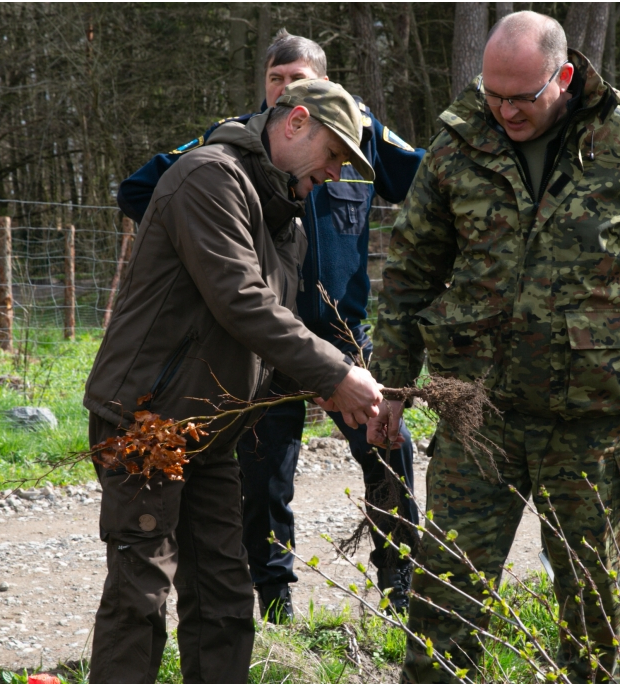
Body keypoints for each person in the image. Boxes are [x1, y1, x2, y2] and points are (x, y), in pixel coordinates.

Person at [367, 10, 620, 682]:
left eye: (522, 98)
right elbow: (409, 274)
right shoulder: (457, 147)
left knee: (592, 598)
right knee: (447, 591)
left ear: (566, 77)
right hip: (477, 414)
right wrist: (393, 387)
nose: (505, 111)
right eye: (493, 94)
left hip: (589, 424)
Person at [116, 30, 425, 621]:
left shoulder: (357, 138)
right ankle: (276, 600)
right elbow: (139, 190)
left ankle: (400, 583)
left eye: (298, 79)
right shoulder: (227, 148)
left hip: (338, 335)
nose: (284, 89)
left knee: (390, 450)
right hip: (259, 344)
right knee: (261, 480)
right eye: (275, 80)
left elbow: (429, 185)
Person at [83, 79, 384, 683]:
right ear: (296, 122)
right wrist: (334, 371)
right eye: (333, 154)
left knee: (224, 590)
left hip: (213, 428)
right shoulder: (209, 179)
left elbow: (274, 331)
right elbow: (241, 301)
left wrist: (322, 387)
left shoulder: (286, 223)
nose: (333, 174)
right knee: (142, 594)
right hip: (147, 420)